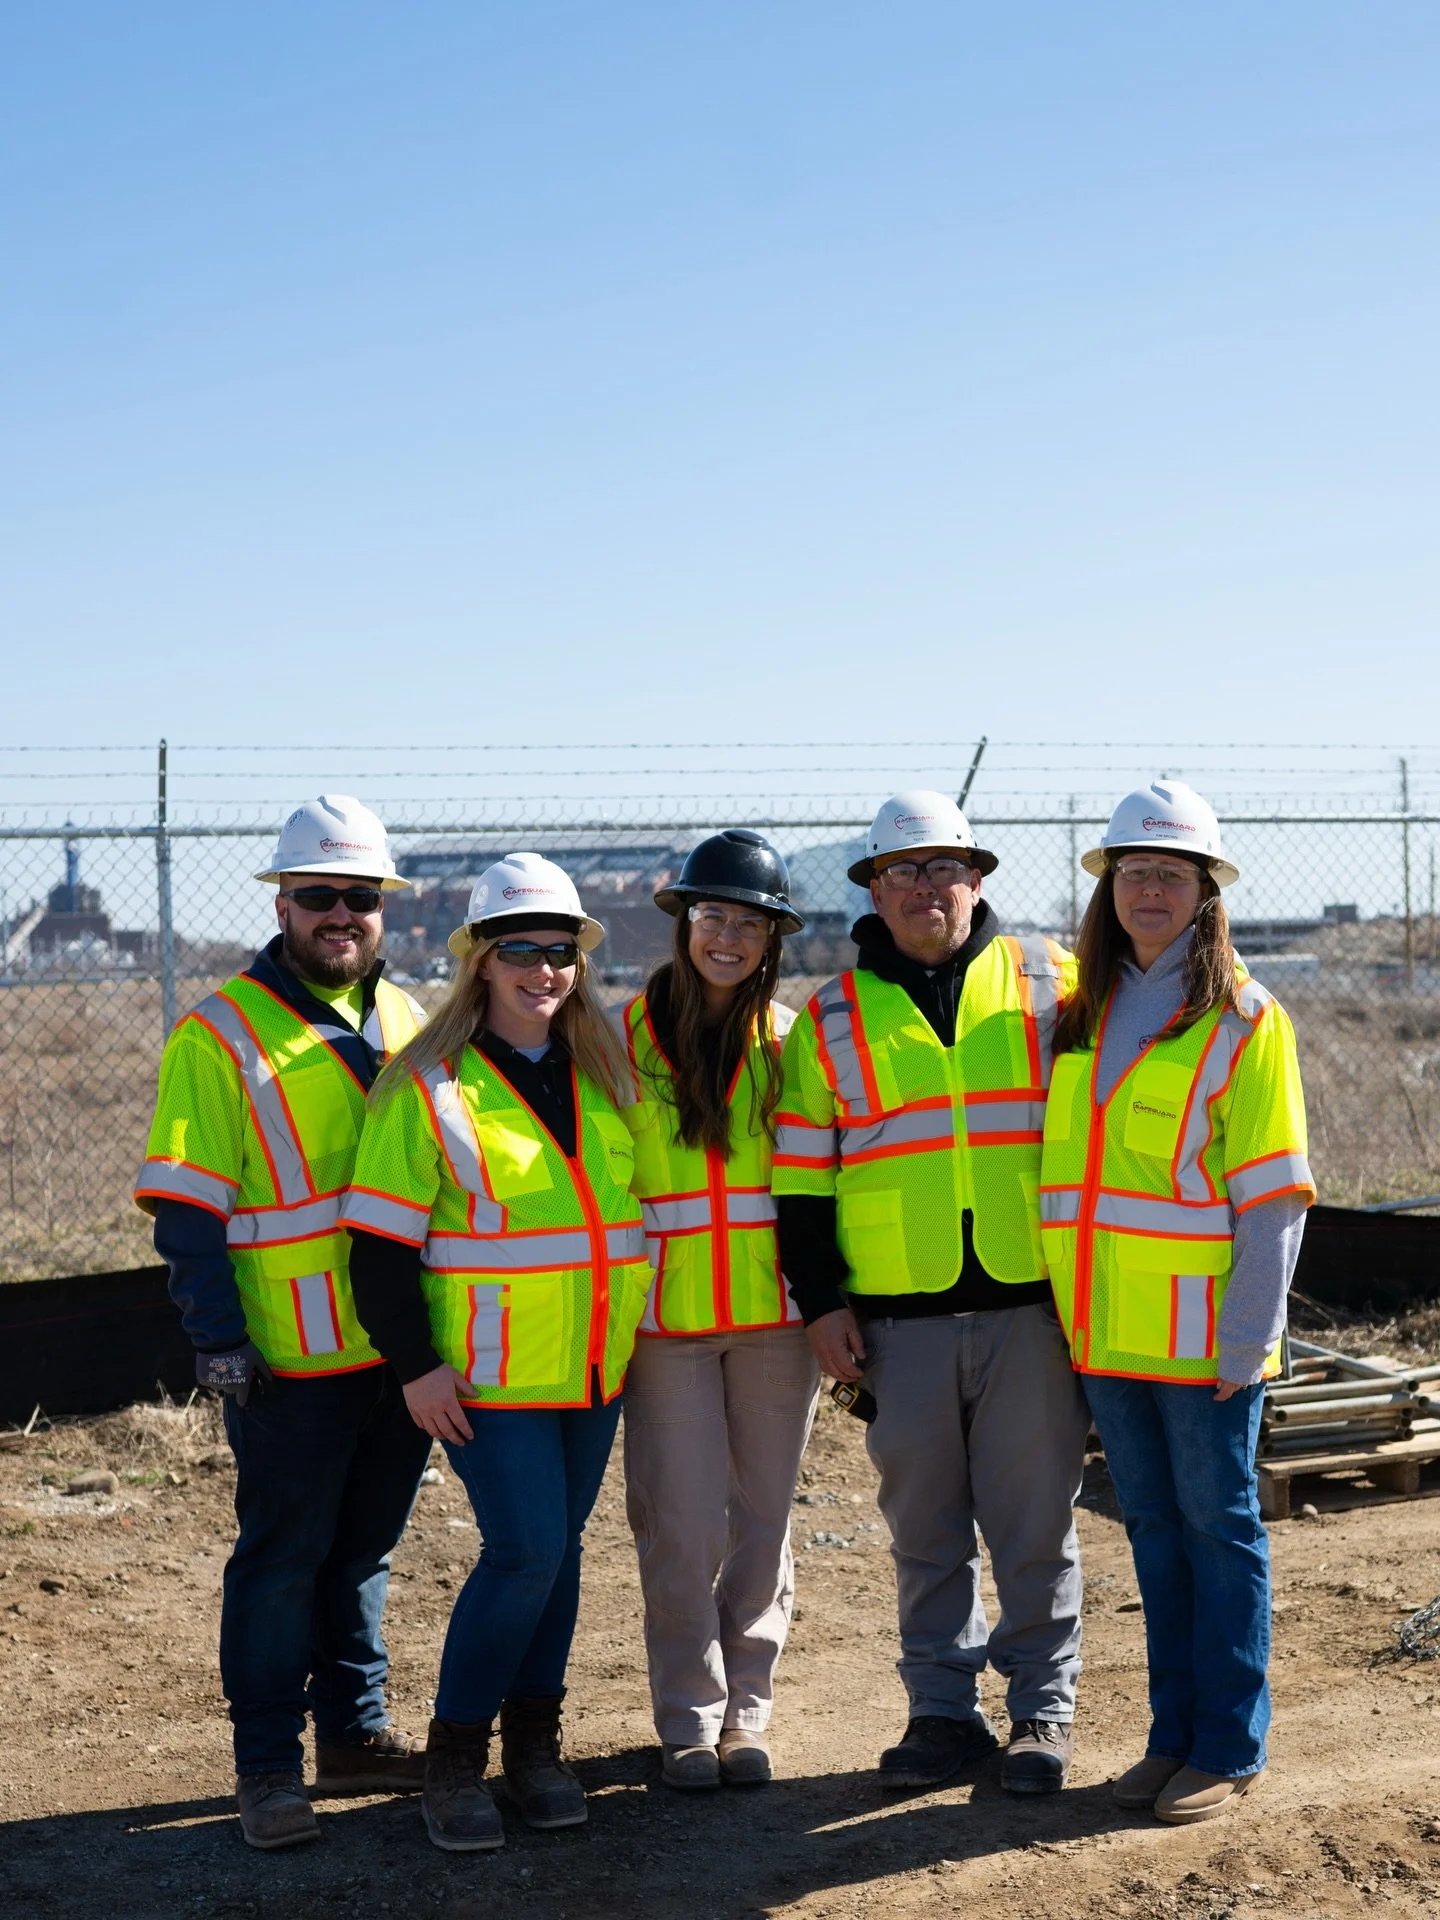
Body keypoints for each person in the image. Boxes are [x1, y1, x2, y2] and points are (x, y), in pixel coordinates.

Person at [774, 791, 1090, 1795]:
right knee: (925, 1532)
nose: (924, 887)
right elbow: (800, 1179)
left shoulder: (1051, 980)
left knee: (1036, 1523)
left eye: (943, 866)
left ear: (976, 878)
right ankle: (943, 1715)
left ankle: (1041, 1712)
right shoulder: (829, 1016)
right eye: (900, 871)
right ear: (872, 890)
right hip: (894, 1321)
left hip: (1031, 1306)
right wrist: (820, 1303)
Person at [134, 795, 431, 1851]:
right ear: (282, 903)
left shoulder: (410, 1021)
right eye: (318, 895)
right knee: (280, 1561)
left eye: (360, 895)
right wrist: (217, 1341)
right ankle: (267, 1768)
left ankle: (353, 1736)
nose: (341, 913)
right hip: (288, 1359)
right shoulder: (219, 1034)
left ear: (384, 906)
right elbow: (186, 1208)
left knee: (364, 1552)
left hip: (400, 1353)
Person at [340, 852, 651, 1853]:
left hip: (592, 1369)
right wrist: (415, 1367)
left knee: (558, 1555)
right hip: (487, 1374)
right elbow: (378, 1247)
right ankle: (454, 1762)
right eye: (519, 949)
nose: (543, 969)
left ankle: (535, 1751)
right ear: (478, 958)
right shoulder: (424, 1084)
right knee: (523, 1552)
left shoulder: (603, 1071)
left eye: (560, 951)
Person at [1041, 779, 1313, 1825]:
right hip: (1107, 1337)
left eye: (1171, 873)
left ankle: (1229, 1745)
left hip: (1205, 1345)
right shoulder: (1083, 1013)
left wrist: (1249, 1340)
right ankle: (1172, 1738)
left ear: (1206, 892)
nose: (1149, 890)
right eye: (1133, 872)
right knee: (1154, 1536)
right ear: (1108, 888)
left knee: (1219, 1533)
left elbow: (1274, 1197)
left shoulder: (1246, 1020)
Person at [615, 831, 819, 1790]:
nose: (728, 937)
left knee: (762, 1524)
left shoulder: (793, 1042)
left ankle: (747, 1713)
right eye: (712, 916)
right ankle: (688, 1718)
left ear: (772, 937)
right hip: (665, 1327)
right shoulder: (615, 1040)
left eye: (749, 922)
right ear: (683, 922)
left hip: (776, 1323)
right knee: (681, 1525)